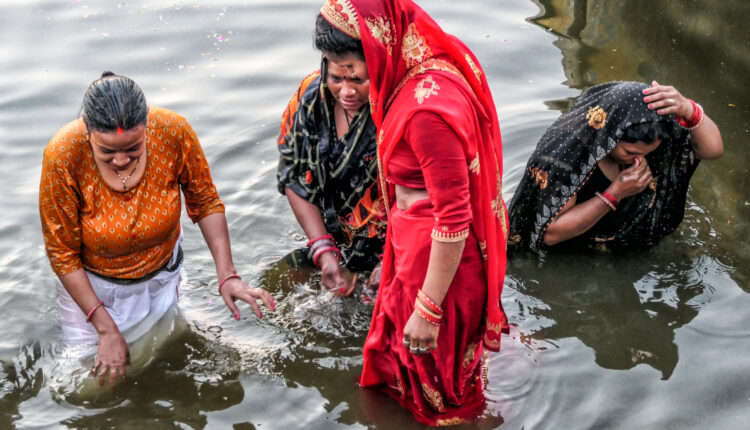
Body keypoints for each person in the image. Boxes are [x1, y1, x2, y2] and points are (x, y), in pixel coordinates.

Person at [315, 0, 510, 425]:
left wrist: (428, 310)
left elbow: (454, 219)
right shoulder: (423, 60)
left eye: (352, 69)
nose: (343, 83)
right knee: (402, 375)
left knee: (441, 399)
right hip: (413, 249)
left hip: (438, 269)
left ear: (377, 46)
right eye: (334, 68)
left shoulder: (424, 110)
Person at [39, 72, 275, 386]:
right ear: (87, 130)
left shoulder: (173, 131)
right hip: (94, 293)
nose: (121, 161)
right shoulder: (63, 154)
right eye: (107, 152)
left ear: (148, 126)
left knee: (171, 353)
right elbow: (62, 254)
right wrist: (105, 329)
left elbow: (204, 200)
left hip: (163, 277)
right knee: (92, 390)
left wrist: (227, 274)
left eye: (133, 148)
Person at [508, 81, 723, 253]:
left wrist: (689, 110)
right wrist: (615, 194)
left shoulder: (652, 133)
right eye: (630, 153)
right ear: (608, 137)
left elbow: (712, 150)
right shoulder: (566, 155)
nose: (639, 160)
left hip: (625, 245)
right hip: (575, 252)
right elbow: (551, 234)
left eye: (646, 153)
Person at [276, 14, 387, 297]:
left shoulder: (396, 110)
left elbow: (422, 200)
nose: (347, 92)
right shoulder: (310, 99)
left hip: (398, 241)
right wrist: (323, 249)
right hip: (334, 234)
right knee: (279, 283)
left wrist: (396, 260)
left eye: (358, 80)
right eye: (337, 78)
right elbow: (294, 177)